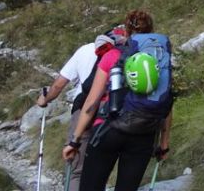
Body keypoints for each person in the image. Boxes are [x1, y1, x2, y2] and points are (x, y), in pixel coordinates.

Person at [63, 10, 173, 191]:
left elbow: (92, 101)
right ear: (152, 30)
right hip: (144, 134)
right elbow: (167, 103)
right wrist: (164, 144)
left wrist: (74, 141)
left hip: (108, 129)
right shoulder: (160, 59)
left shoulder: (113, 55)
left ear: (127, 30)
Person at [37, 27, 124, 191]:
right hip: (111, 113)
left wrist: (45, 99)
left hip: (82, 110)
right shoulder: (125, 52)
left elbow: (58, 85)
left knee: (76, 170)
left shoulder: (86, 50)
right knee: (100, 169)